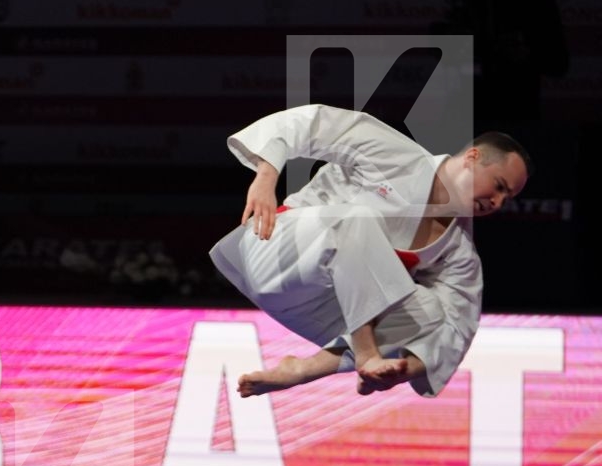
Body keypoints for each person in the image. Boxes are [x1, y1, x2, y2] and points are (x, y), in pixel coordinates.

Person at [208, 104, 529, 399]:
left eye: (508, 198)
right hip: (274, 250)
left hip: (313, 306)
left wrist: (398, 374)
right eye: (499, 186)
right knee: (357, 219)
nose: (498, 202)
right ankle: (366, 353)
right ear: (472, 157)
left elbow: (455, 336)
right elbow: (307, 123)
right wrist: (266, 176)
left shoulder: (459, 252)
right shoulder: (394, 154)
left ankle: (307, 368)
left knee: (436, 316)